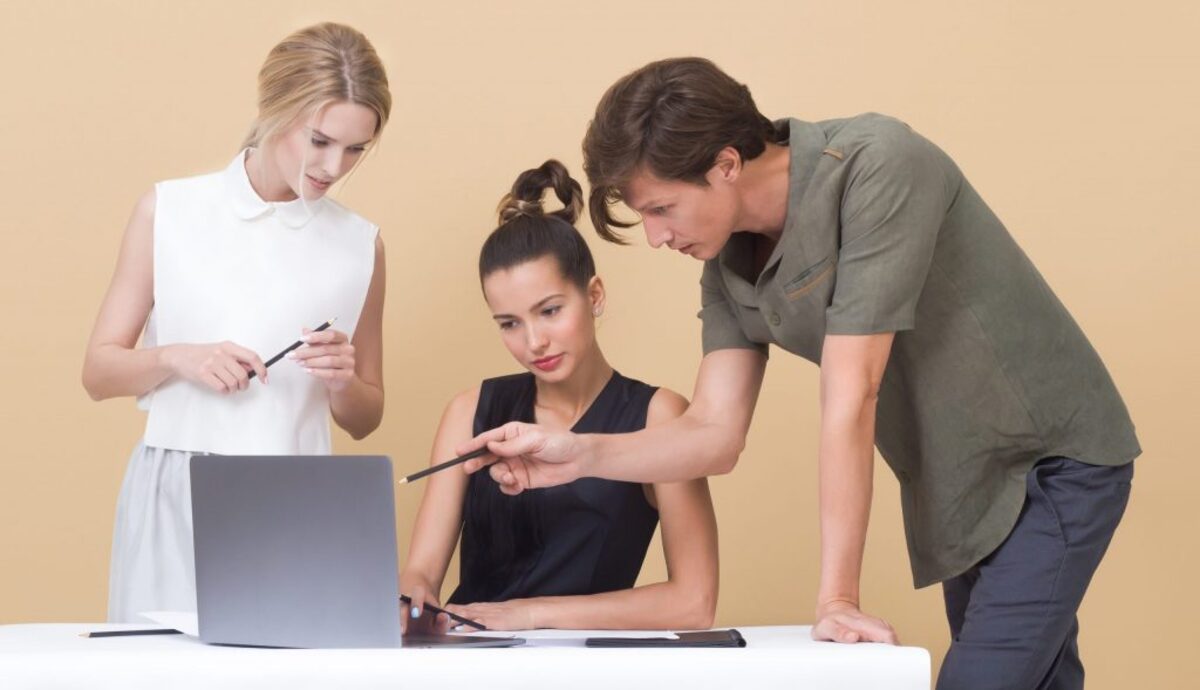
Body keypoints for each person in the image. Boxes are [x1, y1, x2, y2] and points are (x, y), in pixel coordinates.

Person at [459, 58, 1139, 688]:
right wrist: (572, 453)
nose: (657, 237)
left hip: (1050, 462)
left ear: (726, 164)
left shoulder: (879, 166)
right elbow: (713, 434)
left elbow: (853, 393)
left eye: (661, 209)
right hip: (956, 490)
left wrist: (836, 599)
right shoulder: (724, 260)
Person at [82, 23, 392, 623]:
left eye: (357, 149)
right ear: (275, 109)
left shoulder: (362, 245)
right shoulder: (169, 210)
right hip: (175, 488)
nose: (335, 166)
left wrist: (341, 380)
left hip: (298, 498)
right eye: (321, 140)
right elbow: (98, 373)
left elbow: (365, 417)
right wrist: (176, 357)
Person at [400, 160, 718, 633]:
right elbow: (420, 574)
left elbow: (693, 603)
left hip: (583, 669)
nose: (533, 342)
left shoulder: (659, 417)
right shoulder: (470, 412)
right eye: (509, 323)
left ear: (594, 296)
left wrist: (529, 615)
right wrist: (412, 599)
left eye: (549, 311)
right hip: (468, 662)